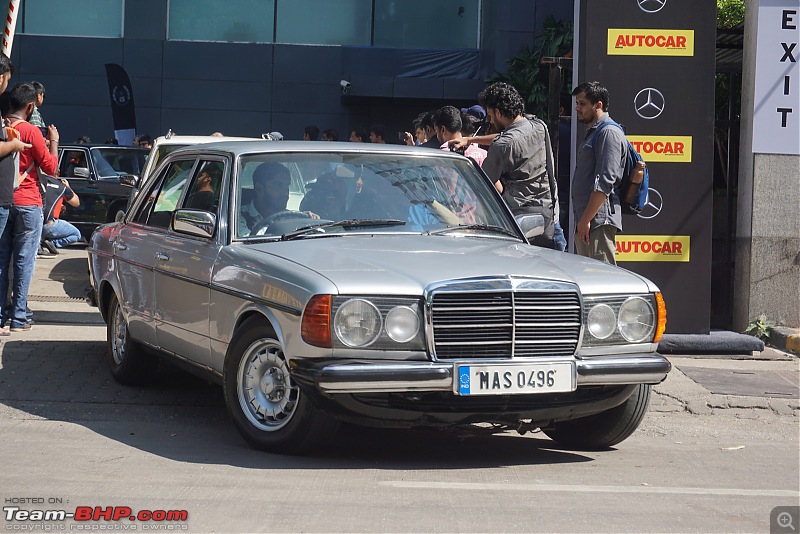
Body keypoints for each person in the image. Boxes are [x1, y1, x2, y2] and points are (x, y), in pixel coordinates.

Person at [0, 83, 59, 333]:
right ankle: (19, 317)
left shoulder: (3, 128)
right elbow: (51, 168)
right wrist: (54, 141)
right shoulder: (32, 131)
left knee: (2, 261)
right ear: (30, 106)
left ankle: (1, 315)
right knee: (24, 262)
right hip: (28, 202)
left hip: (4, 200)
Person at [478, 82, 556, 249]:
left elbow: (483, 185)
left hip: (517, 219)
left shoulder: (502, 145)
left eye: (490, 115)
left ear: (498, 112)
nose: (490, 120)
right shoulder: (540, 127)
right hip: (546, 213)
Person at [571, 81, 627, 265]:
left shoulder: (608, 132)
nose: (577, 108)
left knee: (604, 281)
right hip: (587, 222)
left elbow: (605, 181)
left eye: (582, 103)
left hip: (598, 222)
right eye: (577, 103)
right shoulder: (593, 132)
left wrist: (586, 220)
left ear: (598, 105)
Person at [238, 162, 317, 236]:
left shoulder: (291, 218)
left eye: (287, 186)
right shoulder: (239, 217)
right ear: (259, 189)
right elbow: (247, 241)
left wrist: (307, 221)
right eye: (278, 185)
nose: (285, 192)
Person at [40, 175, 81, 252]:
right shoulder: (60, 186)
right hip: (49, 224)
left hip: (33, 221)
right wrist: (68, 187)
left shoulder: (36, 181)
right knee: (76, 234)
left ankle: (39, 241)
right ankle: (50, 242)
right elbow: (76, 203)